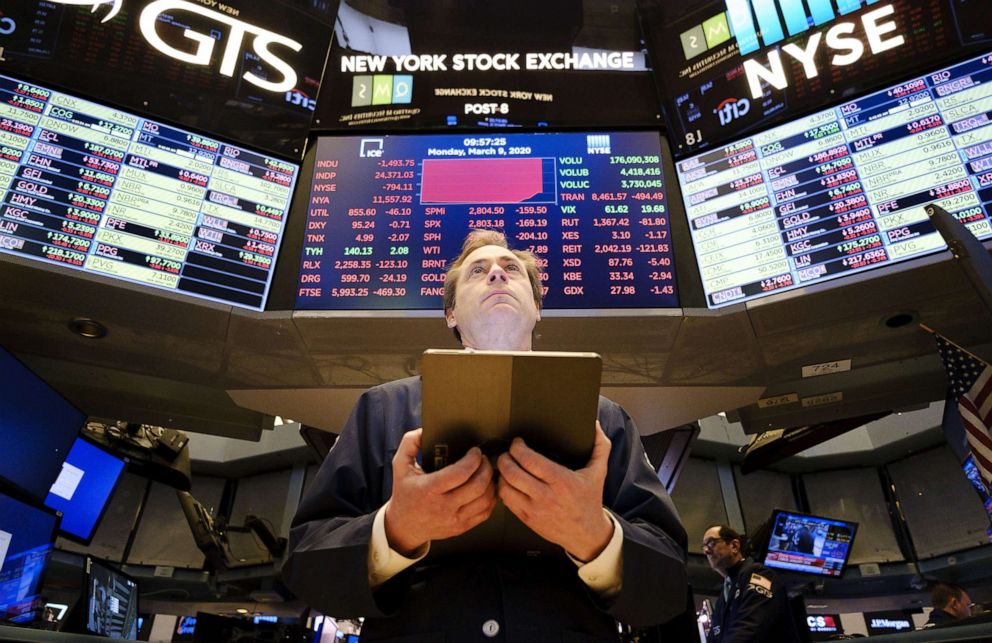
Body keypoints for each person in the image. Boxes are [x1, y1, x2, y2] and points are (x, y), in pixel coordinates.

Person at [283, 230, 688, 642]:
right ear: (451, 315)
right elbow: (306, 566)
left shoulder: (606, 419)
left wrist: (595, 536)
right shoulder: (380, 408)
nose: (497, 274)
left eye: (511, 269)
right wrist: (395, 529)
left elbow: (669, 586)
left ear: (537, 308)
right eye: (478, 271)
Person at [702, 524, 800, 643]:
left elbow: (749, 627)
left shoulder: (759, 574)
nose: (706, 551)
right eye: (704, 546)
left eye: (711, 543)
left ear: (734, 546)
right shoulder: (723, 595)